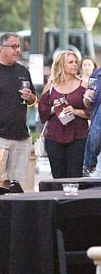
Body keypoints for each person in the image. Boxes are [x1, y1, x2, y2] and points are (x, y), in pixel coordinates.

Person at [0, 33, 37, 188]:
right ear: (1, 48)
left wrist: (30, 98)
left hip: (21, 136)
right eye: (13, 46)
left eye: (18, 46)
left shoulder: (23, 71)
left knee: (18, 185)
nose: (18, 50)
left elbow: (34, 99)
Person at [38, 50, 89, 179]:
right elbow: (42, 111)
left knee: (74, 175)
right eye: (70, 62)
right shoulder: (51, 85)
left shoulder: (84, 84)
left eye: (76, 62)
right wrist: (53, 109)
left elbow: (91, 112)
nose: (75, 65)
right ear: (61, 64)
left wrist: (76, 111)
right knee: (57, 177)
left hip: (78, 136)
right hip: (54, 137)